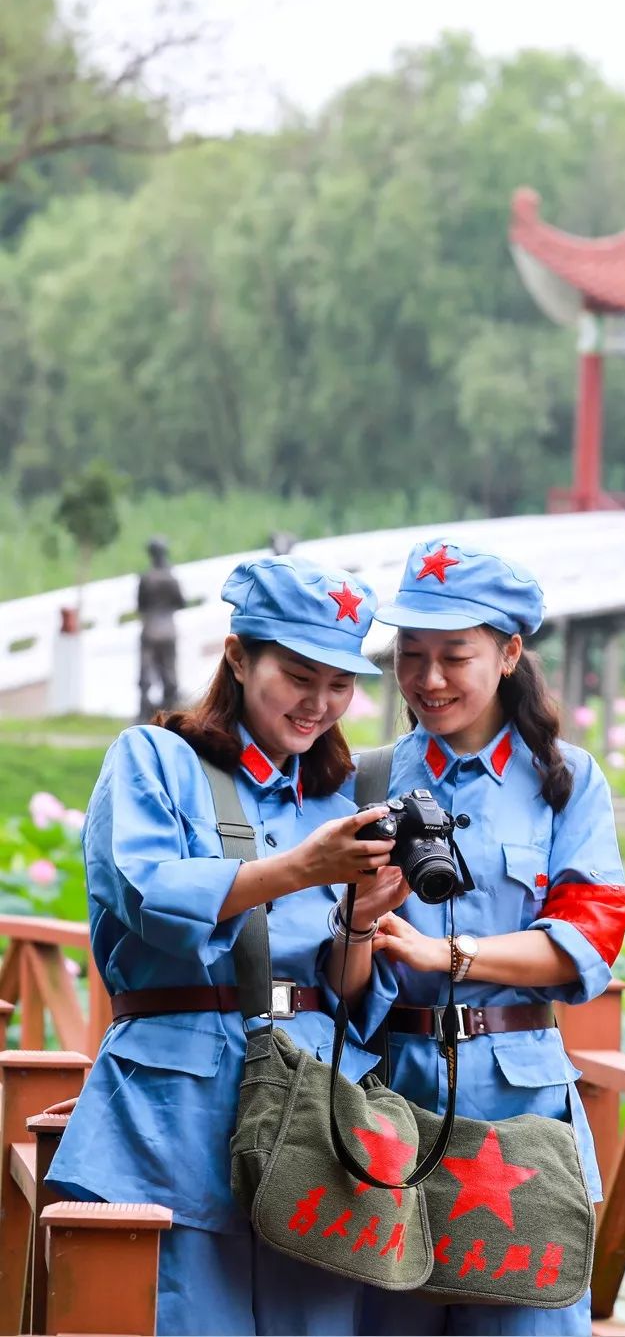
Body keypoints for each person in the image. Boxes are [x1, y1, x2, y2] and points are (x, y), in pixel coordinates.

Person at [47, 554, 410, 1337]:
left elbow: (347, 993)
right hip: (175, 1110)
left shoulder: (341, 801)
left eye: (339, 684)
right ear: (239, 657)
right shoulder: (153, 759)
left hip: (318, 1115)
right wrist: (300, 868)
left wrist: (360, 923)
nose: (319, 704)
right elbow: (148, 896)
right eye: (299, 676)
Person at [351, 539, 625, 1337]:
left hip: (521, 1113)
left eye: (455, 656)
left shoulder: (568, 780)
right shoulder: (364, 779)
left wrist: (445, 955)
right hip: (389, 1104)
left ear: (509, 654)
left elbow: (587, 939)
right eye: (411, 655)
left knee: (529, 1320)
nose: (429, 679)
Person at [137, 535, 187, 720]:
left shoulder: (145, 578)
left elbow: (140, 605)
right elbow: (181, 602)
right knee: (169, 671)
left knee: (145, 672)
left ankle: (143, 712)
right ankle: (169, 711)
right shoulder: (171, 578)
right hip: (168, 629)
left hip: (150, 629)